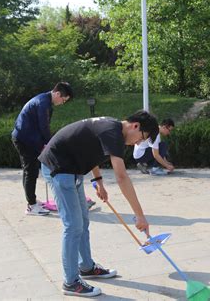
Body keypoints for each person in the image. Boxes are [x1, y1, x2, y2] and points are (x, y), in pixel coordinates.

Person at [38, 111, 158, 297]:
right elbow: (121, 176)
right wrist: (139, 215)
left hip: (72, 169)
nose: (139, 143)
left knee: (83, 222)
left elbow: (89, 149)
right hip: (59, 168)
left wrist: (98, 181)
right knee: (73, 226)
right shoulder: (113, 133)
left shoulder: (112, 129)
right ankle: (70, 282)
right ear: (135, 126)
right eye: (142, 138)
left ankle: (86, 267)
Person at [11, 82, 73, 216]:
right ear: (57, 94)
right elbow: (43, 127)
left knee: (29, 171)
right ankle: (32, 206)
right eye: (63, 99)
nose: (62, 103)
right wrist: (49, 144)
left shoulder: (44, 100)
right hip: (24, 140)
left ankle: (31, 201)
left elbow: (42, 128)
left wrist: (45, 143)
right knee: (30, 171)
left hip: (28, 138)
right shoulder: (43, 103)